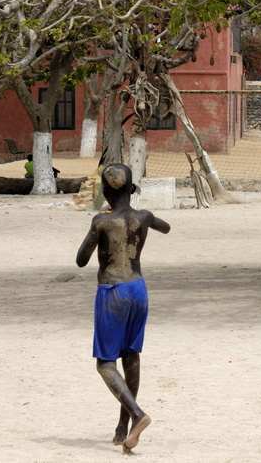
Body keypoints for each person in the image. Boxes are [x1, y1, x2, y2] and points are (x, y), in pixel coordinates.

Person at [76, 163, 171, 453]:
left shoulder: (101, 221)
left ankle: (138, 414)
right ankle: (124, 427)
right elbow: (165, 228)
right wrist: (146, 218)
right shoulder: (144, 217)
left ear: (105, 192)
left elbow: (81, 259)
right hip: (138, 289)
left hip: (113, 291)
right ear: (132, 190)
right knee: (131, 356)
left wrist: (98, 223)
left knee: (105, 363)